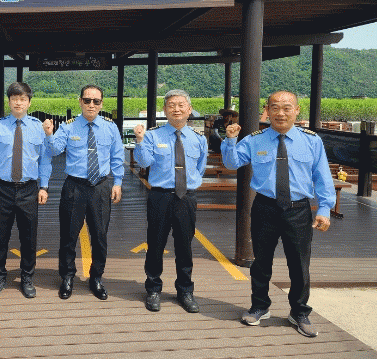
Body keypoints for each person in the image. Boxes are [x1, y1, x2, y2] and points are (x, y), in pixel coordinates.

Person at [221, 90, 335, 337]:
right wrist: (230, 140)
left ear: (297, 110)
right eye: (274, 107)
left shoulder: (312, 141)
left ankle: (299, 312)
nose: (280, 113)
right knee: (261, 262)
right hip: (265, 207)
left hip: (299, 209)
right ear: (267, 110)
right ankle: (260, 306)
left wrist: (324, 208)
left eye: (286, 108)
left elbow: (322, 177)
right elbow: (232, 163)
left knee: (299, 264)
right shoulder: (255, 140)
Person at [43, 85, 123, 301]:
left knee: (99, 236)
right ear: (80, 102)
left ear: (101, 104)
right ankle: (67, 277)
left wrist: (118, 182)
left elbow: (117, 156)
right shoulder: (68, 127)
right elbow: (55, 150)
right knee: (68, 236)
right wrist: (49, 135)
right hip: (74, 187)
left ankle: (96, 277)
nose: (91, 105)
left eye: (96, 101)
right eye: (87, 100)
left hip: (100, 187)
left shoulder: (110, 127)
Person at [133, 90, 207, 314]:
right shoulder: (153, 136)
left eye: (181, 105)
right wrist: (139, 141)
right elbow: (144, 162)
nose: (176, 109)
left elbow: (200, 168)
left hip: (187, 197)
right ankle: (153, 288)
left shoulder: (199, 138)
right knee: (155, 243)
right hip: (160, 196)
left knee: (185, 245)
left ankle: (185, 290)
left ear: (189, 109)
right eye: (171, 105)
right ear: (164, 110)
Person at [0, 82, 52, 299]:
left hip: (29, 189)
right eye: (14, 99)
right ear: (9, 102)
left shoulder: (38, 127)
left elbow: (45, 160)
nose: (18, 103)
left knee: (28, 237)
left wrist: (44, 186)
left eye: (22, 99)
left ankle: (27, 277)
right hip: (3, 188)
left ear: (29, 102)